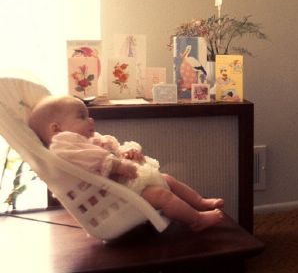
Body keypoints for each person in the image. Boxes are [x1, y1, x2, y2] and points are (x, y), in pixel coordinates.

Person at [28, 95, 224, 232]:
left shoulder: (87, 141)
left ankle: (199, 202)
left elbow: (110, 151)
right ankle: (196, 220)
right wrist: (117, 165)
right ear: (56, 128)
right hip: (113, 197)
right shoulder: (63, 145)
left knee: (168, 179)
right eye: (81, 116)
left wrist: (125, 152)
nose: (91, 119)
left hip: (121, 186)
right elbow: (93, 159)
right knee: (162, 195)